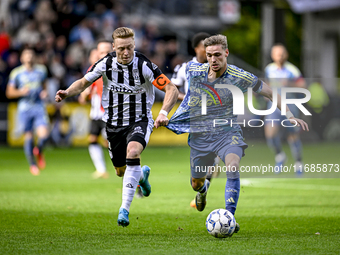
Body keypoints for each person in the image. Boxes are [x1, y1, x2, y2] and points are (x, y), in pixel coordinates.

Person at [166, 35, 308, 234]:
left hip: (228, 132)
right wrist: (166, 113)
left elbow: (270, 92)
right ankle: (202, 190)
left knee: (232, 165)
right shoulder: (193, 70)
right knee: (196, 183)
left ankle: (229, 216)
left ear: (226, 53)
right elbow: (173, 90)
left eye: (217, 55)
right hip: (200, 135)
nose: (213, 60)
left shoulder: (240, 76)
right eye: (209, 56)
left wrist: (290, 115)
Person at [55, 27, 178, 227]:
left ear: (134, 45)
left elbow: (171, 88)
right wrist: (67, 92)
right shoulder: (105, 63)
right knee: (121, 171)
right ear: (114, 47)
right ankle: (141, 176)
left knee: (134, 151)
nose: (126, 52)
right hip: (112, 124)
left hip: (140, 120)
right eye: (121, 48)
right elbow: (84, 82)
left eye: (129, 47)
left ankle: (124, 209)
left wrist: (163, 113)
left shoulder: (144, 65)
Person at [171, 32, 220, 208]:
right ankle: (203, 188)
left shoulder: (218, 67)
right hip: (194, 119)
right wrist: (188, 98)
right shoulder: (184, 68)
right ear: (196, 48)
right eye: (204, 47)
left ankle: (212, 167)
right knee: (197, 178)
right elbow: (172, 91)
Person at [6, 48, 49, 176]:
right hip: (24, 108)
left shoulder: (41, 70)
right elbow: (9, 92)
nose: (29, 57)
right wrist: (21, 92)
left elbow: (44, 85)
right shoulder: (16, 73)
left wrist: (44, 92)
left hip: (38, 106)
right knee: (28, 137)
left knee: (44, 135)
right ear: (22, 58)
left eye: (31, 54)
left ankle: (39, 151)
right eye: (26, 55)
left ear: (34, 57)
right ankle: (32, 164)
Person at [264, 44, 306, 173]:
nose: (279, 56)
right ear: (272, 55)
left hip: (290, 105)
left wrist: (289, 84)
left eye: (282, 53)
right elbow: (268, 83)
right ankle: (280, 156)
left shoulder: (292, 70)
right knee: (270, 134)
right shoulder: (269, 69)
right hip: (274, 106)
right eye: (277, 53)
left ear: (286, 55)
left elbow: (303, 86)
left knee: (292, 135)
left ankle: (298, 163)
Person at [78, 40, 112, 179]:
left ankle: (129, 168)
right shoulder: (93, 69)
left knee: (109, 141)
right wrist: (84, 96)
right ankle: (101, 169)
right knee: (92, 139)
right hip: (96, 114)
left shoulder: (109, 70)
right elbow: (85, 93)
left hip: (108, 114)